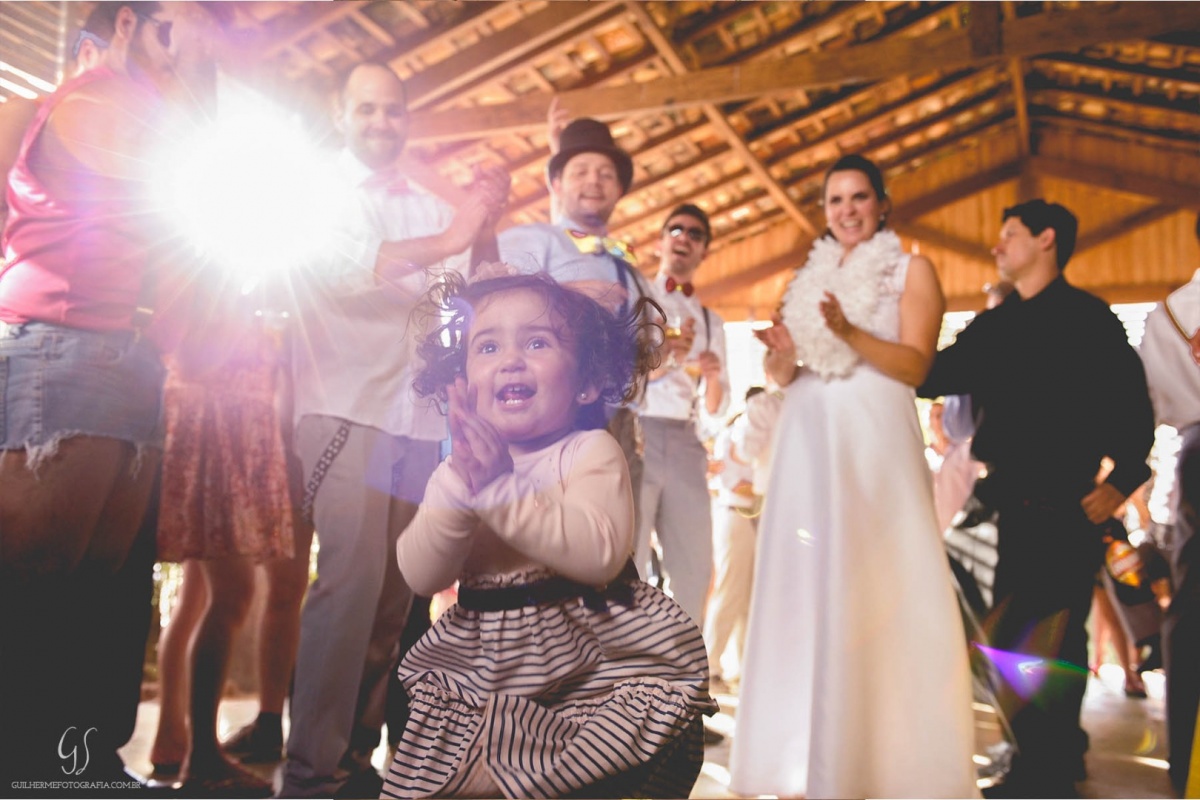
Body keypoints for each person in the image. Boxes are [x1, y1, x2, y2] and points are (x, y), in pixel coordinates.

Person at [379, 269, 716, 799]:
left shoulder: (588, 452)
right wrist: (463, 499)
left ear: (585, 382)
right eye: (487, 346)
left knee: (581, 781)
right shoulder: (458, 473)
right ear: (462, 380)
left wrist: (499, 493)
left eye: (537, 342)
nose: (510, 359)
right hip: (487, 669)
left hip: (589, 664)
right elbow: (422, 573)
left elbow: (598, 555)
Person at [0, 2, 219, 788]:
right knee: (38, 583)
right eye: (181, 27)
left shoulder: (157, 111)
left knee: (93, 593)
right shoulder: (92, 100)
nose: (196, 48)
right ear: (130, 24)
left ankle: (66, 768)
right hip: (64, 348)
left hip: (129, 361)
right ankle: (25, 770)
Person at [279, 61, 508, 799]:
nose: (382, 123)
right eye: (367, 109)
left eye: (394, 111)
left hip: (414, 420)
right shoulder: (313, 187)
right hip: (344, 403)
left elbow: (471, 296)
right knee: (346, 587)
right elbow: (347, 270)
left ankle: (353, 758)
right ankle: (309, 771)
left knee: (393, 599)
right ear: (341, 114)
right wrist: (453, 233)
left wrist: (484, 228)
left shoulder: (420, 202)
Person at [729, 154, 979, 799]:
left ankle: (891, 760)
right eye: (835, 200)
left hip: (874, 431)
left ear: (882, 203)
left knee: (879, 576)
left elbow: (917, 366)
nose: (847, 210)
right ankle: (801, 755)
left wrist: (848, 332)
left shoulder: (911, 269)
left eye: (859, 197)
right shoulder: (805, 277)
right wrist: (782, 355)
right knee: (805, 585)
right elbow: (788, 377)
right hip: (809, 434)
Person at [918, 198, 1155, 797]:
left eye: (1009, 235)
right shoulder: (998, 325)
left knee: (1056, 638)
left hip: (1067, 506)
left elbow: (1134, 411)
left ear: (1046, 240)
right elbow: (932, 375)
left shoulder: (1092, 320)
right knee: (1006, 640)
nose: (997, 247)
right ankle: (1042, 756)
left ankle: (1046, 771)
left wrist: (1119, 484)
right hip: (1002, 508)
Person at [499, 115, 654, 533]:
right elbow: (489, 298)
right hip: (550, 423)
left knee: (618, 548)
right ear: (557, 185)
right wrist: (566, 292)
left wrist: (660, 349)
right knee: (548, 544)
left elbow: (648, 347)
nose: (594, 181)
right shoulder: (531, 240)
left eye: (606, 174)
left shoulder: (632, 269)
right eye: (580, 171)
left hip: (621, 425)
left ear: (619, 189)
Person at [634, 204, 729, 624]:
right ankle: (623, 668)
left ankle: (682, 666)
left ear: (704, 250)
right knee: (628, 557)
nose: (683, 238)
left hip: (687, 439)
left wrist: (711, 377)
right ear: (661, 241)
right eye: (675, 229)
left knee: (695, 564)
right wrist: (667, 358)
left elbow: (717, 410)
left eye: (694, 233)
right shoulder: (636, 299)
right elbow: (620, 380)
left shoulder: (712, 321)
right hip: (636, 433)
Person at [1138, 219, 1200, 795]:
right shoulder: (1176, 313)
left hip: (1195, 455)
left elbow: (1148, 409)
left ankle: (1188, 772)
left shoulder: (1170, 316)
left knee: (1192, 618)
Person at [703, 385, 771, 689]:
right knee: (730, 591)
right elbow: (732, 483)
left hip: (757, 520)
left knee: (752, 596)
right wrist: (761, 488)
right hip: (734, 515)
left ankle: (746, 665)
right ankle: (711, 664)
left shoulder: (764, 440)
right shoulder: (732, 437)